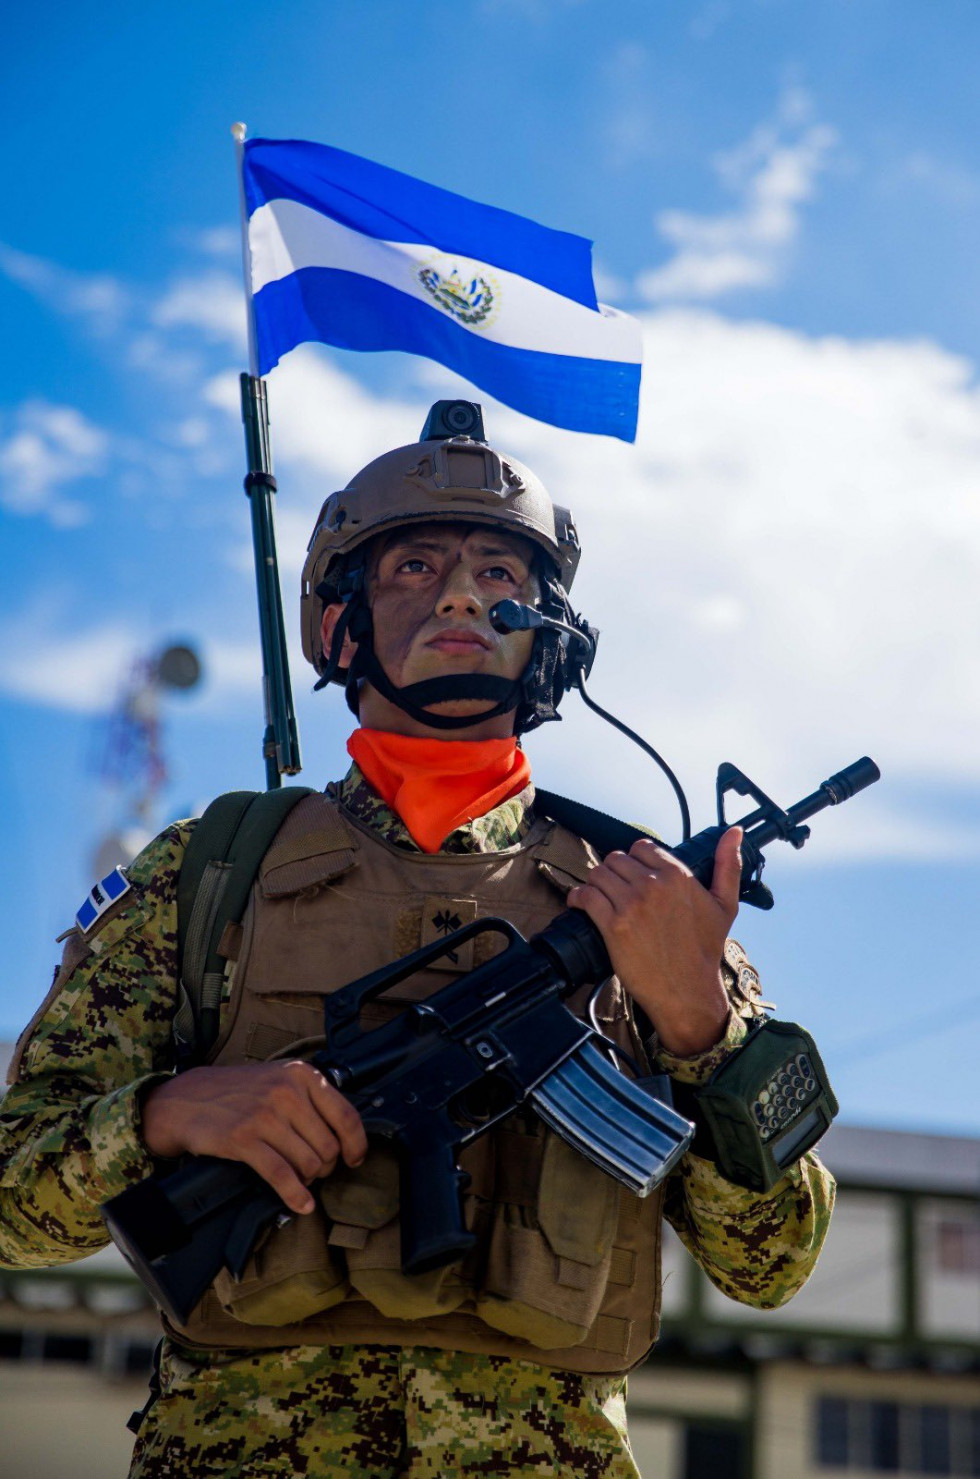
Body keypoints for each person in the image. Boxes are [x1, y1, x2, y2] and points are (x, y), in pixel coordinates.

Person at [0, 402, 835, 1478]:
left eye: (499, 573)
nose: (459, 593)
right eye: (412, 567)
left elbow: (773, 1267)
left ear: (555, 641)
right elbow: (14, 1207)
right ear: (338, 624)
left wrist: (699, 1027)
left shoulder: (644, 899)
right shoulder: (209, 878)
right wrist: (163, 1115)